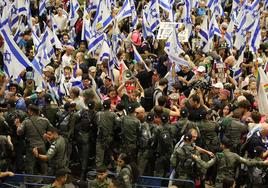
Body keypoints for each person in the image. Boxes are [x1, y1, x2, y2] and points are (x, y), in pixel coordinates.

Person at [16, 104, 53, 178]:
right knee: (43, 164)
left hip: (31, 147)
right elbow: (51, 131)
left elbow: (19, 133)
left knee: (30, 166)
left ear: (31, 112)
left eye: (28, 111)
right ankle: (46, 180)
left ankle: (30, 182)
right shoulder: (45, 120)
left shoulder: (26, 122)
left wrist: (18, 125)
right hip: (42, 145)